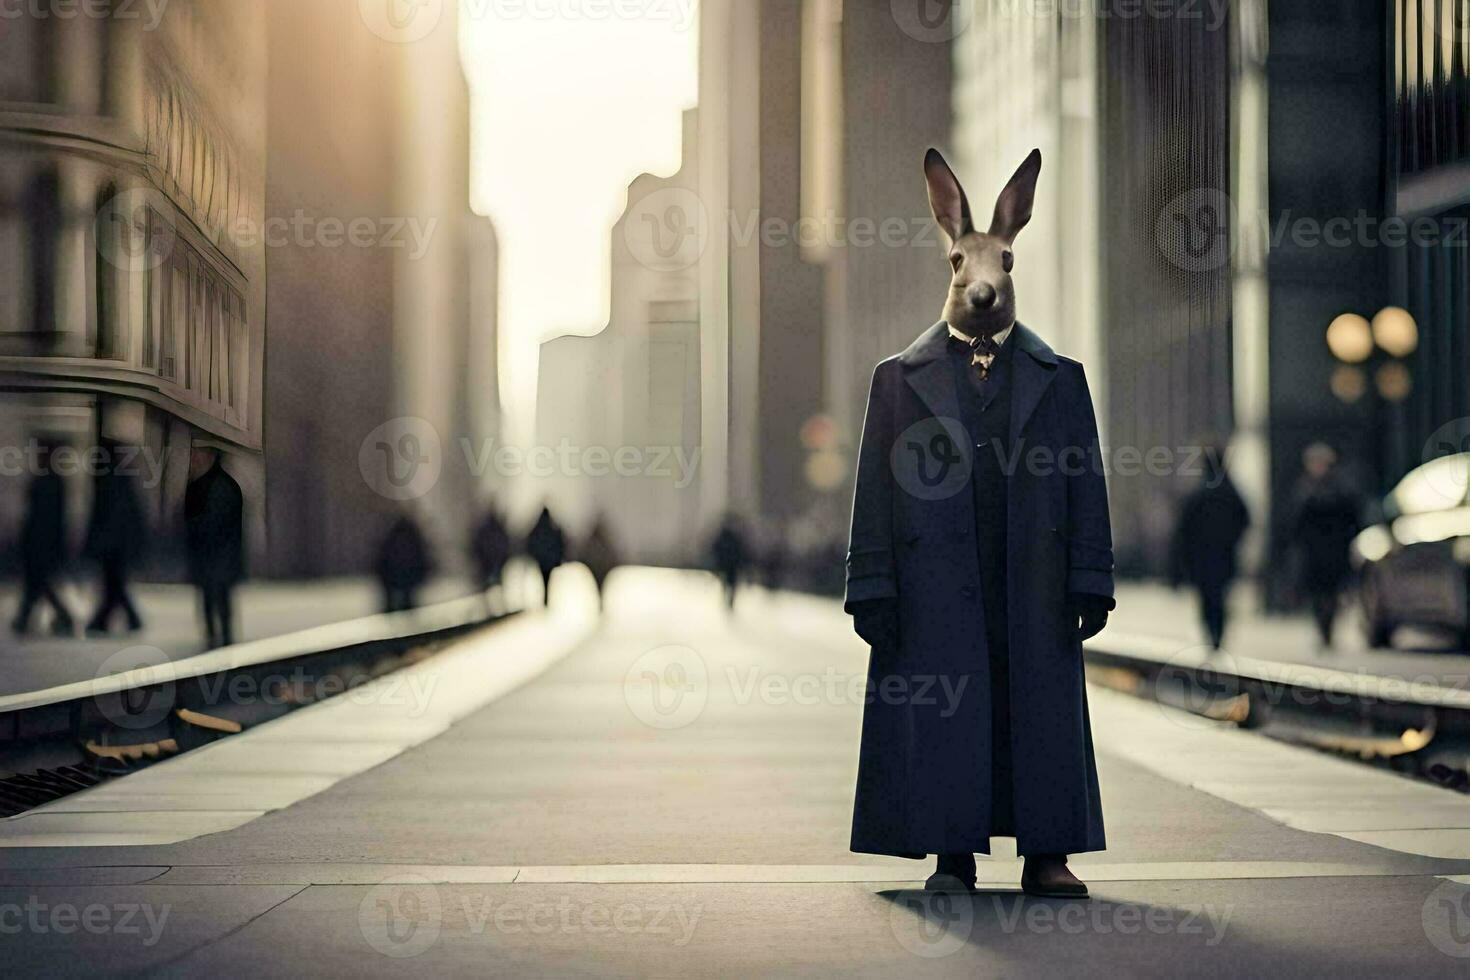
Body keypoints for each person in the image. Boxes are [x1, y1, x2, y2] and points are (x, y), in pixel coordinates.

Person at [845, 148, 1111, 898]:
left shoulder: (1061, 381)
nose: (982, 278)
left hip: (1034, 573)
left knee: (1040, 707)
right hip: (937, 578)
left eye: (998, 260)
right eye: (965, 260)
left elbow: (1085, 482)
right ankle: (951, 853)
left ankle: (1048, 851)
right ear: (951, 260)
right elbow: (875, 487)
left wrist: (1091, 573)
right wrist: (872, 583)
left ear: (1011, 259)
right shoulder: (897, 382)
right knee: (947, 707)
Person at [1171, 446, 1251, 650]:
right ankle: (1217, 634)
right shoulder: (1230, 493)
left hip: (1203, 558)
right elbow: (1245, 520)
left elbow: (1184, 530)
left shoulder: (1198, 494)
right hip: (1224, 555)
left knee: (1207, 597)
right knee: (1220, 597)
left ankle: (1212, 633)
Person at [1290, 443, 1361, 649]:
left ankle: (1329, 630)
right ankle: (1322, 630)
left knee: (1332, 593)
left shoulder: (1341, 488)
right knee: (1317, 594)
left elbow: (1352, 518)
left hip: (1335, 550)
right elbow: (1296, 523)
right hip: (1313, 552)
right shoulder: (1304, 488)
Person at [11, 440, 76, 636]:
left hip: (41, 542)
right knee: (38, 583)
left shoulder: (49, 481)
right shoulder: (52, 481)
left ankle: (27, 619)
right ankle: (54, 617)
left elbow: (47, 517)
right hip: (41, 541)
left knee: (38, 582)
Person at [83, 439, 147, 635]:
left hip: (112, 543)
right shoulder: (121, 477)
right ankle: (106, 621)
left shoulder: (110, 480)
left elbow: (107, 516)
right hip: (117, 543)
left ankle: (102, 621)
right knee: (114, 584)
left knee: (114, 584)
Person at [184, 448, 244, 649]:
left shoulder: (213, 486)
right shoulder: (222, 484)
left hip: (215, 553)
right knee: (215, 596)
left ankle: (219, 638)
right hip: (216, 554)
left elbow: (210, 523)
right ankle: (220, 637)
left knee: (215, 595)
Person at [375, 513, 432, 614]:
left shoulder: (392, 537)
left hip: (398, 576)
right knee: (405, 602)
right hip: (400, 576)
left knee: (402, 602)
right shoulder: (408, 537)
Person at [524, 507, 566, 607]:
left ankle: (545, 600)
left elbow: (530, 542)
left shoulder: (539, 529)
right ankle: (546, 600)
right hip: (548, 561)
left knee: (545, 580)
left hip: (543, 561)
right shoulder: (551, 528)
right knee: (548, 580)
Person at [470, 502, 512, 602]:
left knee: (490, 585)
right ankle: (499, 603)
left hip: (490, 562)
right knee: (495, 584)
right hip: (493, 562)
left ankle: (494, 603)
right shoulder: (494, 528)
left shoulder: (485, 529)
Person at [578, 515, 620, 611]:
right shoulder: (604, 539)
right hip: (602, 569)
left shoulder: (594, 539)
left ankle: (599, 601)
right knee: (601, 586)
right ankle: (600, 601)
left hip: (597, 569)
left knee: (598, 586)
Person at [709, 515, 748, 610]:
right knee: (729, 584)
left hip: (729, 566)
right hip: (729, 566)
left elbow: (742, 551)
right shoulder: (732, 537)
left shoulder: (733, 537)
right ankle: (728, 601)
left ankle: (728, 601)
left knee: (729, 584)